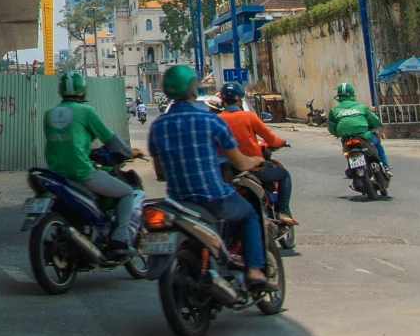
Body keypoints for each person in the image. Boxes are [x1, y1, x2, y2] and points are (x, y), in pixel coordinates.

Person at [147, 63, 270, 287]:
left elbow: (159, 172)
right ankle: (254, 271)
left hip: (178, 201)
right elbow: (240, 161)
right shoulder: (211, 121)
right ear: (193, 88)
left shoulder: (158, 126)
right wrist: (256, 160)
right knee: (250, 214)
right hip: (214, 197)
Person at [43, 70, 143, 252]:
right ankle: (120, 239)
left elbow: (65, 142)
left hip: (56, 174)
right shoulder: (86, 111)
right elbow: (110, 139)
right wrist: (129, 152)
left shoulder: (49, 114)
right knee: (128, 192)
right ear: (83, 91)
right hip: (82, 173)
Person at [218, 79, 293, 226]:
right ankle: (282, 211)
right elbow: (270, 138)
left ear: (223, 100)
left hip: (225, 171)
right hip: (251, 168)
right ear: (239, 99)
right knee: (284, 175)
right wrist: (281, 142)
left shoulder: (216, 120)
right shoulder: (249, 117)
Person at [325, 81, 388, 167]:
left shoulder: (334, 110)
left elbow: (331, 128)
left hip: (346, 139)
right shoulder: (361, 106)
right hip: (364, 136)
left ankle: (352, 165)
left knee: (346, 151)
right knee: (376, 141)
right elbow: (375, 121)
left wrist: (338, 133)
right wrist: (376, 125)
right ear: (352, 93)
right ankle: (385, 166)